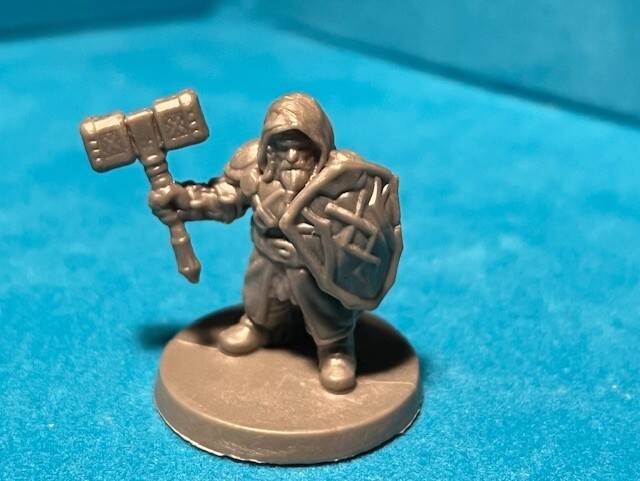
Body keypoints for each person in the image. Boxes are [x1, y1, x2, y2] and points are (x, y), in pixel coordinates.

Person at [148, 93, 402, 393]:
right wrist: (184, 199)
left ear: (318, 144)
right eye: (283, 147)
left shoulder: (342, 175)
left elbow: (368, 221)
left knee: (326, 310)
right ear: (268, 146)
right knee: (260, 295)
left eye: (301, 148)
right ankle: (260, 326)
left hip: (316, 265)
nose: (292, 157)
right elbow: (225, 199)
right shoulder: (252, 167)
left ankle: (335, 348)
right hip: (268, 254)